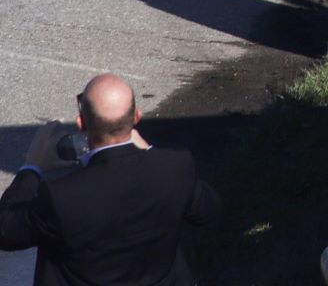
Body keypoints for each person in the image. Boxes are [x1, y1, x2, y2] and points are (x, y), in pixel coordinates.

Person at [0, 74, 219, 286]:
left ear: (82, 122)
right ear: (136, 117)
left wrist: (31, 168)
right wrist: (148, 150)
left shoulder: (61, 197)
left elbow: (7, 231)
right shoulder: (175, 169)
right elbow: (207, 211)